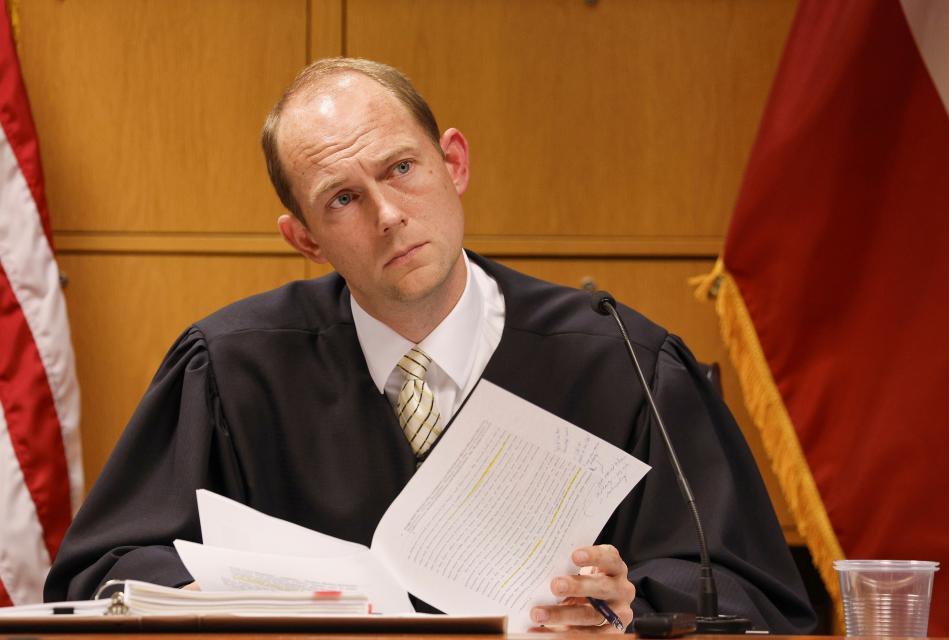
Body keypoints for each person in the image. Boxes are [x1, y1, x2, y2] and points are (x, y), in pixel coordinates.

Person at [45, 58, 816, 633]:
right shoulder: (231, 369)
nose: (387, 215)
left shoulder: (622, 360)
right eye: (343, 199)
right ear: (304, 238)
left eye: (402, 169)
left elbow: (746, 595)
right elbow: (101, 572)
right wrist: (214, 599)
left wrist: (634, 609)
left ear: (454, 163)